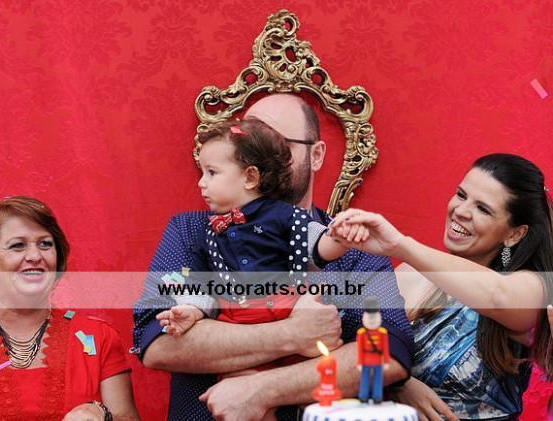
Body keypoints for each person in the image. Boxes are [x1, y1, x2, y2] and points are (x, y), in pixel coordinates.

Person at [133, 94, 414, 421]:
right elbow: (158, 342)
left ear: (316, 155)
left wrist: (262, 389)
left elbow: (388, 353)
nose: (262, 155)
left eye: (279, 142)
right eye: (249, 143)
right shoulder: (192, 231)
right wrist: (293, 334)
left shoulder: (350, 245)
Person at [330, 153, 553, 420]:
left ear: (514, 233)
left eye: (483, 209)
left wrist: (399, 245)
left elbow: (497, 297)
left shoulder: (531, 288)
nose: (461, 211)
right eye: (461, 195)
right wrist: (399, 383)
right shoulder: (411, 275)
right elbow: (350, 352)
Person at [157, 118, 348, 339]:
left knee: (313, 354)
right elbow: (203, 284)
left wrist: (341, 237)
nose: (201, 182)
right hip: (235, 324)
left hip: (286, 310)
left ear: (250, 177)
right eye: (202, 172)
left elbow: (319, 247)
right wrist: (192, 310)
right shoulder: (208, 231)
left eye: (211, 172)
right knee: (232, 361)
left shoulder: (283, 215)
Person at [0, 196, 139, 421]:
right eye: (18, 245)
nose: (35, 256)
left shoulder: (99, 337)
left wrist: (103, 414)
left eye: (45, 244)